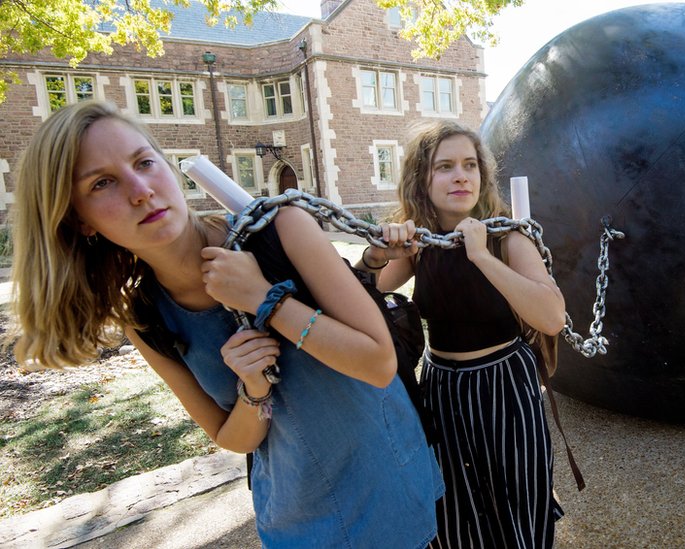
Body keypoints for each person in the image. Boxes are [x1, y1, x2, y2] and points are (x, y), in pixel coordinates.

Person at [8, 100, 443, 547]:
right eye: (102, 183)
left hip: (391, 498)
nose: (141, 191)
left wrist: (265, 300)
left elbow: (377, 363)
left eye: (144, 162)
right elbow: (230, 437)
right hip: (296, 523)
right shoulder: (145, 316)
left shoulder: (283, 229)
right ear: (80, 219)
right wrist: (253, 390)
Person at [357, 120, 566, 548]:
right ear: (422, 179)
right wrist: (376, 256)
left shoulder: (507, 237)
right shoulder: (421, 244)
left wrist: (482, 257)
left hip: (504, 389)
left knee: (517, 501)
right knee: (453, 510)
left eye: (470, 165)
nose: (461, 176)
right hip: (442, 391)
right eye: (445, 166)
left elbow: (552, 318)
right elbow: (355, 297)